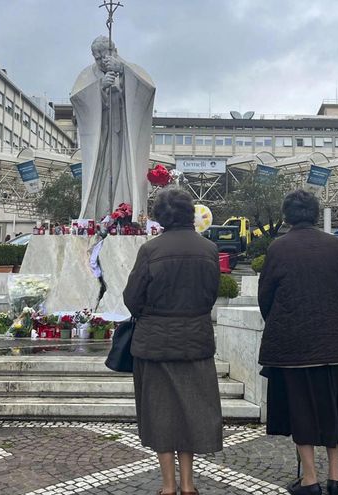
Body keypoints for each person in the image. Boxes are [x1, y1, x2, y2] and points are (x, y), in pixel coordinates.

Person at [123, 188, 222, 495]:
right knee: (191, 411)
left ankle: (168, 486)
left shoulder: (151, 250)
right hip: (195, 341)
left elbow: (132, 298)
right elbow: (211, 294)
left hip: (155, 343)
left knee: (160, 413)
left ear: (160, 217)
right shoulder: (209, 249)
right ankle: (189, 484)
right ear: (189, 213)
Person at [258, 190, 338, 495]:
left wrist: (282, 320)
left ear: (287, 216)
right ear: (314, 213)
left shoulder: (278, 248)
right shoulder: (337, 246)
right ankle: (336, 477)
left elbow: (265, 298)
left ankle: (310, 479)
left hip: (294, 346)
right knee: (335, 409)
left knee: (300, 411)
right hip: (335, 343)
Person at [71, 35, 155, 219]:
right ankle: (100, 215)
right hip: (101, 135)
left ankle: (127, 213)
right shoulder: (86, 75)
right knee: (101, 173)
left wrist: (123, 72)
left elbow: (147, 89)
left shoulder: (131, 70)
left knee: (125, 171)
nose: (102, 61)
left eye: (105, 56)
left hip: (125, 134)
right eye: (97, 58)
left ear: (115, 52)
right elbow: (78, 100)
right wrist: (99, 87)